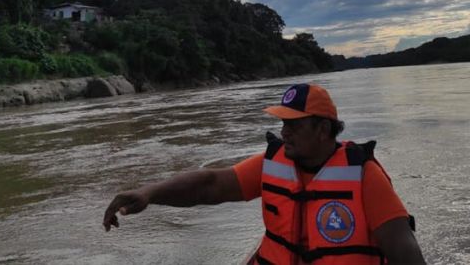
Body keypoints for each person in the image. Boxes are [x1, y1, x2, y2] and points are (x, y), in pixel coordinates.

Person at [103, 83, 424, 264]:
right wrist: (149, 193)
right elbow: (210, 185)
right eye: (282, 123)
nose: (283, 132)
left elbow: (405, 252)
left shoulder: (363, 174)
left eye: (293, 124)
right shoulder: (273, 163)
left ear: (323, 129)